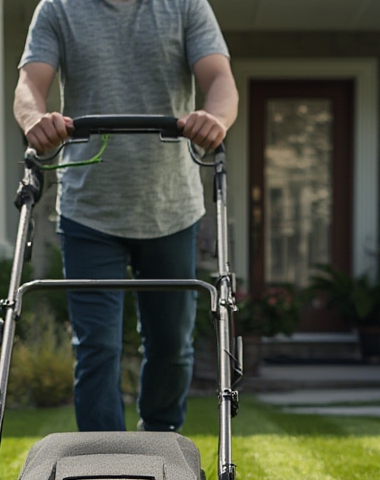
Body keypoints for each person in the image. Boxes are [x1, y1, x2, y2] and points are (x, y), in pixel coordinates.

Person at [14, 0, 238, 433]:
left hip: (171, 207)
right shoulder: (58, 8)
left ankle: (159, 443)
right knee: (97, 347)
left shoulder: (185, 5)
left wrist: (215, 118)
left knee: (172, 346)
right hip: (89, 211)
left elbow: (220, 79)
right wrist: (34, 119)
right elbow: (30, 83)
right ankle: (102, 463)